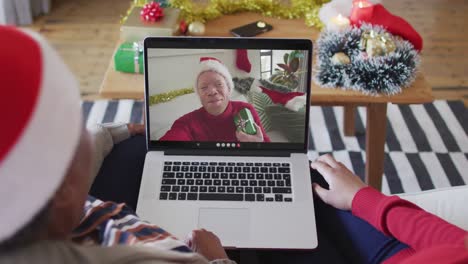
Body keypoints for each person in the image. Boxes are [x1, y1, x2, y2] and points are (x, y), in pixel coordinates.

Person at [0, 26, 234, 264]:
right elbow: (175, 136)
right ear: (62, 189)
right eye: (74, 122)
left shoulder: (28, 206)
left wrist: (106, 132)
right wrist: (218, 260)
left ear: (229, 87)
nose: (212, 92)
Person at [160, 57, 270, 143]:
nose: (212, 91)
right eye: (204, 87)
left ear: (229, 88)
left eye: (219, 84)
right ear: (199, 94)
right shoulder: (187, 123)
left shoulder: (245, 109)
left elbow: (271, 154)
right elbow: (166, 146)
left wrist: (259, 144)